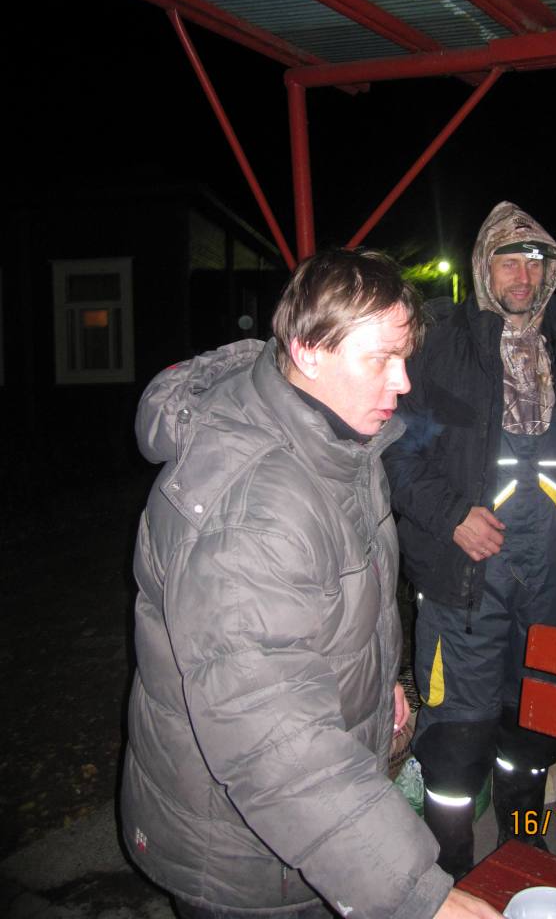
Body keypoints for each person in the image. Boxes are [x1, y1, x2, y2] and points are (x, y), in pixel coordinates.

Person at [120, 248, 501, 919]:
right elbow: (270, 732)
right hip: (245, 850)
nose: (403, 381)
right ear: (308, 351)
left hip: (290, 824)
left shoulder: (335, 435)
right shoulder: (258, 509)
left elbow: (324, 607)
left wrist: (373, 675)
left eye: (405, 357)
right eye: (381, 359)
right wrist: (413, 893)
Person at [384, 202, 556, 880]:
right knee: (458, 734)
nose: (523, 275)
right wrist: (450, 515)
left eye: (534, 261)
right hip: (464, 578)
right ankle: (451, 880)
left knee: (536, 722)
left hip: (551, 576)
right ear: (482, 265)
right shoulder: (442, 343)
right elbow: (396, 449)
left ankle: (522, 862)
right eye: (509, 260)